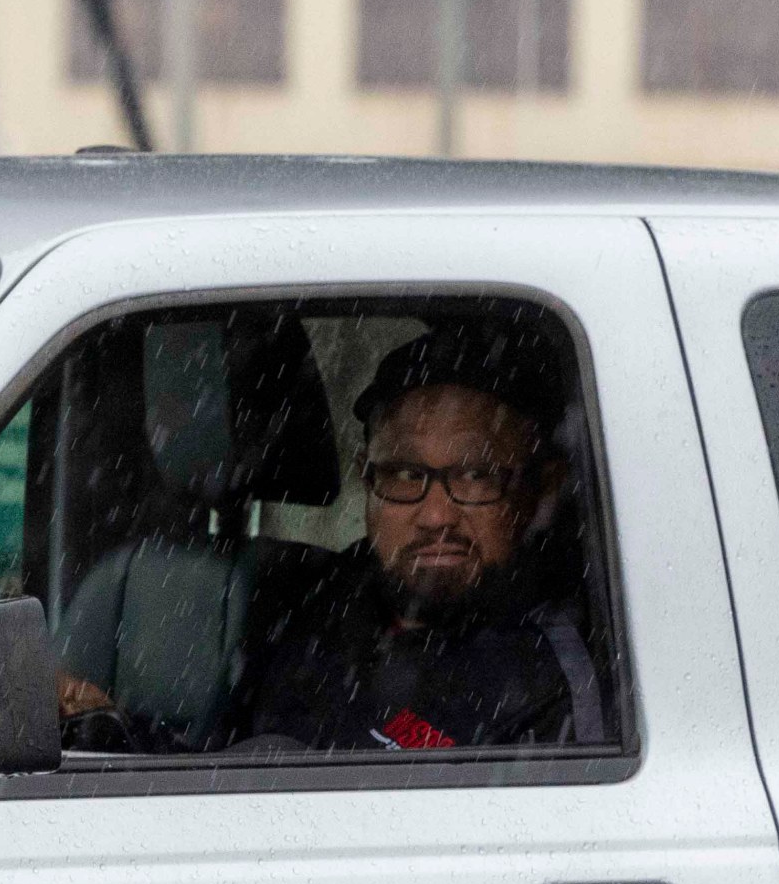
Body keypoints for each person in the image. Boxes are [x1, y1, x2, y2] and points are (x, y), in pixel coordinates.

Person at [225, 323, 611, 754]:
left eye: (476, 476)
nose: (435, 516)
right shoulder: (313, 594)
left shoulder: (552, 681)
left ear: (542, 489)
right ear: (366, 478)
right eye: (405, 474)